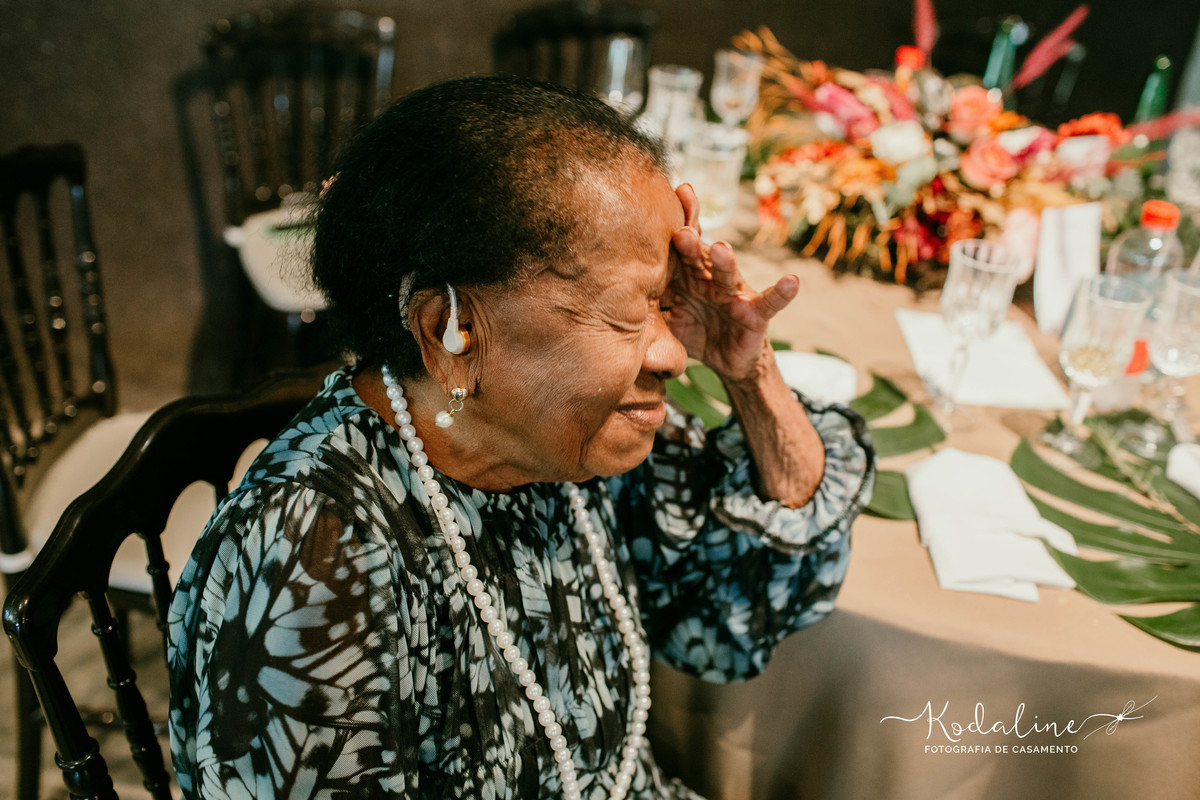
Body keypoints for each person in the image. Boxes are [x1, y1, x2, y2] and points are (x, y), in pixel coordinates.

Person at [168, 76, 874, 800]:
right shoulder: (318, 559)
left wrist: (750, 372)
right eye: (629, 317)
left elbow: (732, 611)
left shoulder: (567, 440)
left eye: (667, 302)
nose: (671, 355)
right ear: (454, 330)